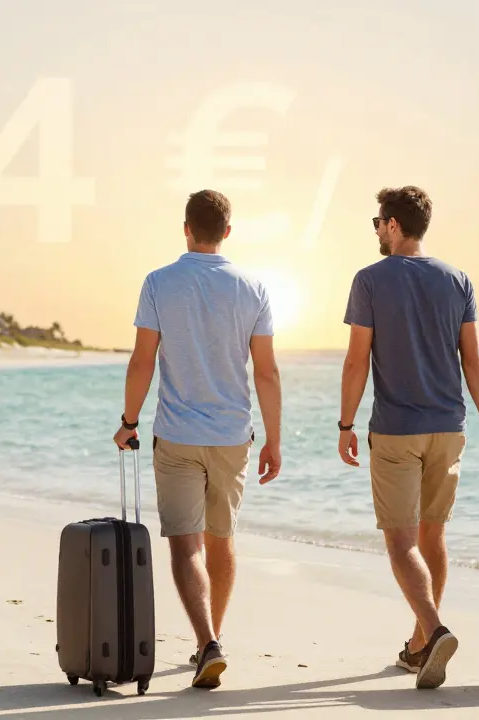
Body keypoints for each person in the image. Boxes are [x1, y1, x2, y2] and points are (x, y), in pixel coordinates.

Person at [113, 189, 283, 690]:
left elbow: (143, 360)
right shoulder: (252, 286)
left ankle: (207, 639)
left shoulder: (159, 282)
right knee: (222, 539)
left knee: (186, 546)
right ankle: (211, 639)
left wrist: (128, 421)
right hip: (233, 436)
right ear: (227, 232)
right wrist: (274, 440)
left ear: (185, 227)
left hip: (178, 434)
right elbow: (267, 372)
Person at [337, 186, 479, 690]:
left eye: (377, 223)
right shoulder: (458, 280)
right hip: (450, 429)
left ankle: (433, 630)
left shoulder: (369, 280)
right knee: (433, 536)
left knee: (401, 541)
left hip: (396, 431)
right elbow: (473, 361)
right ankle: (417, 647)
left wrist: (345, 425)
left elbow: (355, 360)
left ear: (392, 225)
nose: (376, 232)